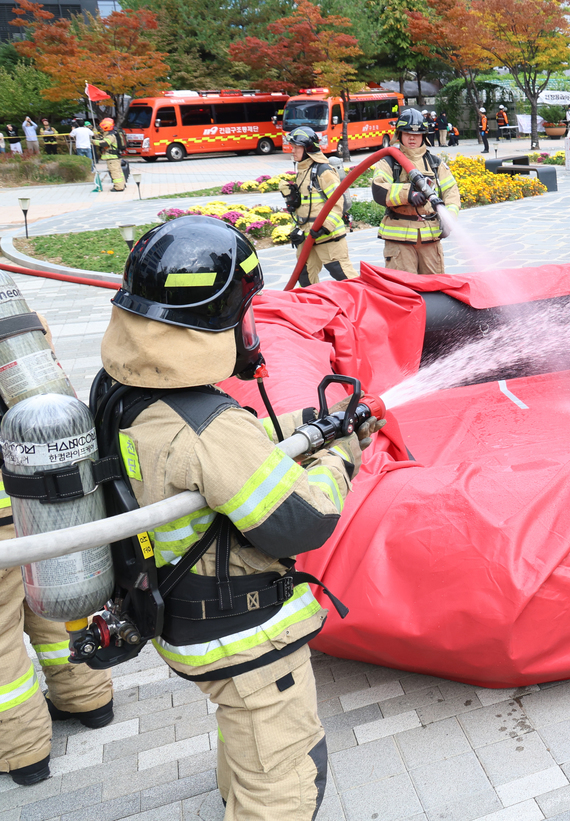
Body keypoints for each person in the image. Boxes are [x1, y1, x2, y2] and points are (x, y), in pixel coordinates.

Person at [97, 215, 375, 819]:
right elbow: (302, 519)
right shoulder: (207, 426)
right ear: (219, 318)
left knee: (246, 734)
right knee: (285, 774)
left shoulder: (122, 389)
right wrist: (341, 453)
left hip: (183, 614)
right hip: (243, 632)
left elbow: (223, 463)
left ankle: (234, 792)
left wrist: (307, 426)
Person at [0, 322, 116, 786]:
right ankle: (88, 700)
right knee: (50, 603)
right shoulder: (13, 318)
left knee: (2, 642)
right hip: (31, 503)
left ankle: (24, 750)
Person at [371, 108, 461, 276]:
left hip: (430, 238)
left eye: (417, 134)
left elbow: (452, 193)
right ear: (399, 134)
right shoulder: (389, 162)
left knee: (436, 288)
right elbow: (378, 189)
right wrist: (408, 194)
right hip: (399, 240)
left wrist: (450, 218)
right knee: (403, 291)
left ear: (424, 135)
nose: (412, 137)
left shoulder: (434, 163)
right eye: (407, 133)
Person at [280, 126, 352, 286]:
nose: (293, 151)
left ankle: (364, 304)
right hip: (307, 238)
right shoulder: (303, 171)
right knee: (305, 278)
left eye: (296, 147)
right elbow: (304, 209)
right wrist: (296, 230)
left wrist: (325, 227)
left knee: (343, 274)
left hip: (329, 237)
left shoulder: (323, 171)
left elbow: (337, 201)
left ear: (308, 149)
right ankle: (315, 308)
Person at [94, 118, 124, 192]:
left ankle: (118, 187)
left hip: (112, 158)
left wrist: (93, 141)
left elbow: (105, 143)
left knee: (115, 172)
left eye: (101, 128)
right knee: (119, 172)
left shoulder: (110, 136)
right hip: (115, 157)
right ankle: (121, 184)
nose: (100, 129)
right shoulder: (112, 134)